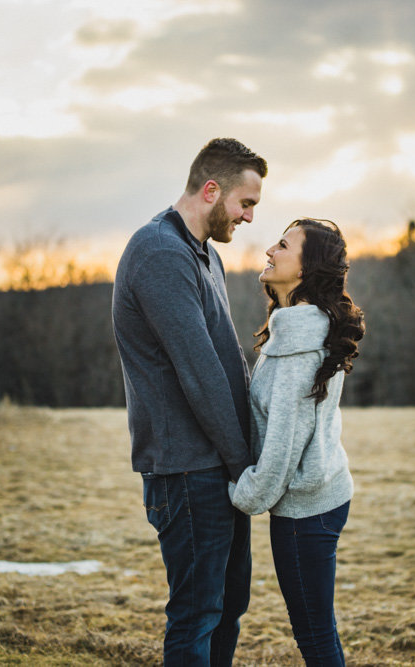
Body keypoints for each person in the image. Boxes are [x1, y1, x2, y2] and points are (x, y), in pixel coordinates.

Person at [111, 137, 267, 666]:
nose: (248, 217)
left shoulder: (203, 256)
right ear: (210, 189)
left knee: (228, 605)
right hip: (187, 469)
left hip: (216, 466)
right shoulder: (159, 252)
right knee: (198, 613)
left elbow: (228, 362)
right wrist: (245, 467)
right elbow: (200, 375)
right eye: (246, 203)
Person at [229, 218, 365, 667]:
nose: (269, 249)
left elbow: (283, 449)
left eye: (283, 246)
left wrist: (241, 493)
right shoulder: (293, 327)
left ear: (306, 270)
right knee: (316, 630)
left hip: (307, 510)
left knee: (315, 635)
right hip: (316, 499)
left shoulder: (300, 345)